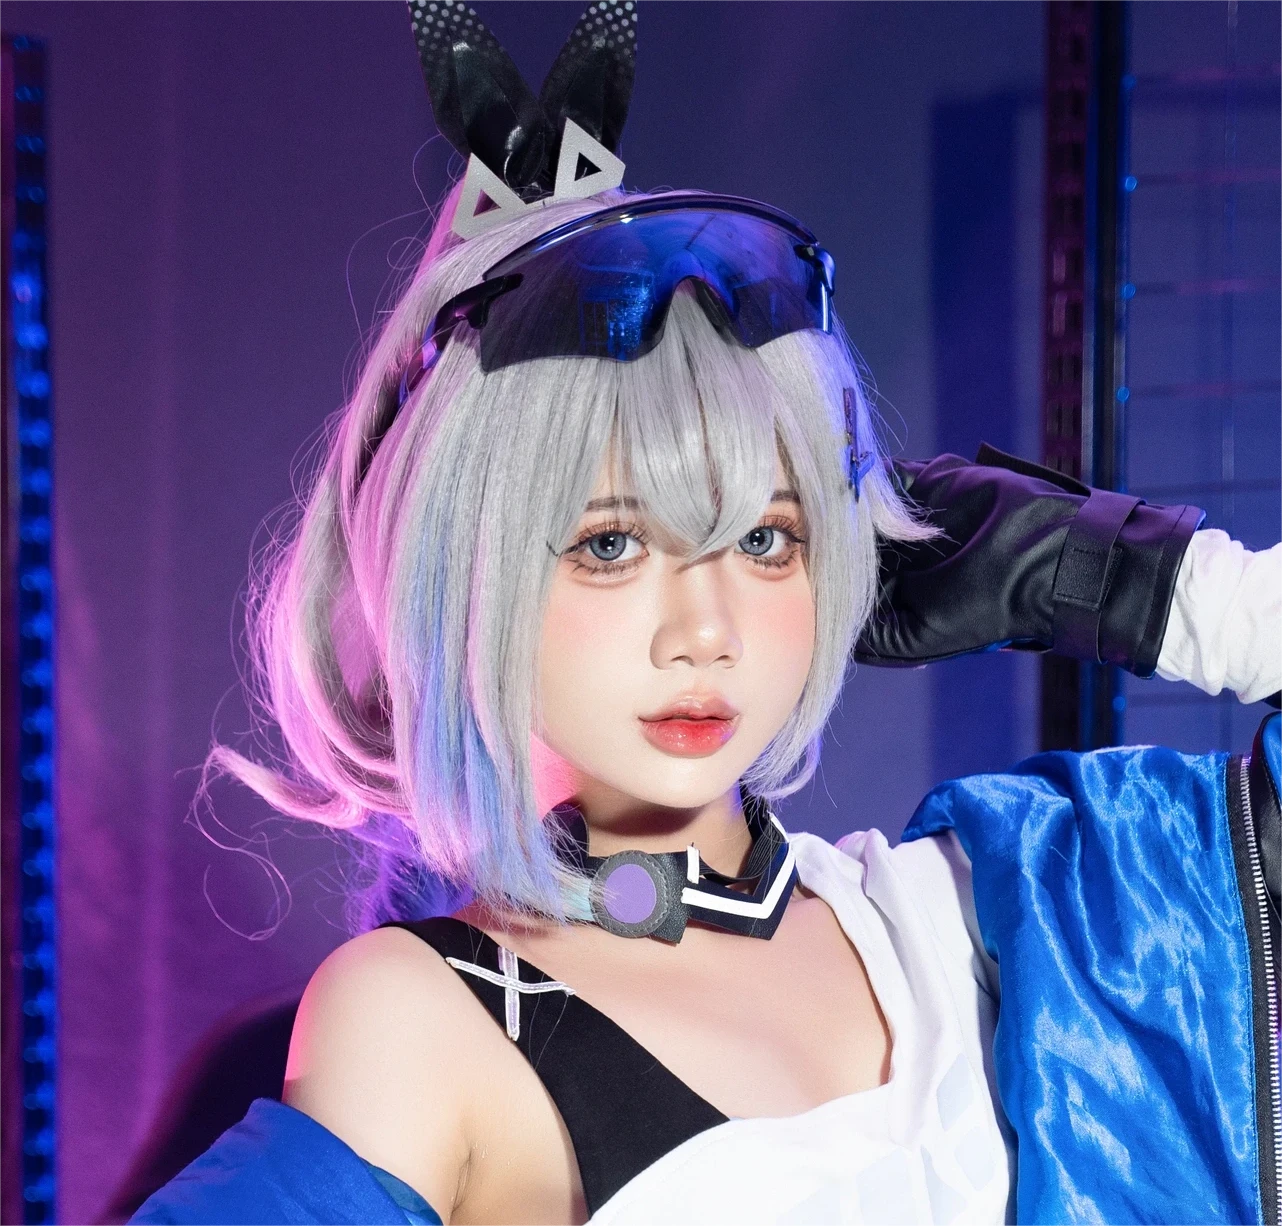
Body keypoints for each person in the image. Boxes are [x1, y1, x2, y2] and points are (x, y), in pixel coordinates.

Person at [128, 3, 1282, 1224]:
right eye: (611, 544)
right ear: (466, 577)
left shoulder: (984, 907)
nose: (705, 630)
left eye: (765, 539)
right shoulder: (431, 1020)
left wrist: (1134, 578)